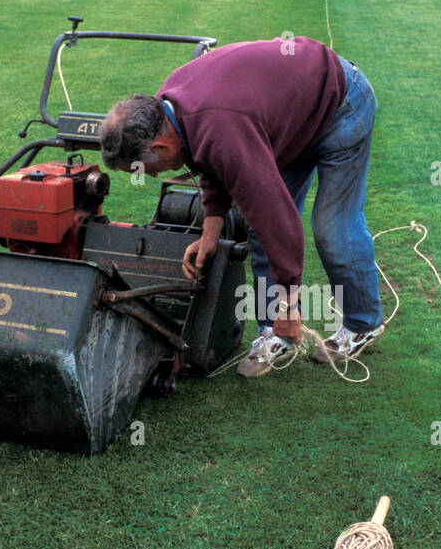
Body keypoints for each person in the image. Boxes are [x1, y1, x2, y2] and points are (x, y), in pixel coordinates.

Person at [98, 37, 383, 378]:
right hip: (288, 120)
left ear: (159, 145)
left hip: (340, 105)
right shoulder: (168, 112)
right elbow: (205, 157)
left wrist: (290, 304)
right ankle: (273, 331)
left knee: (333, 229)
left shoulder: (223, 128)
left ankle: (362, 323)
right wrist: (209, 234)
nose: (153, 174)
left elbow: (279, 220)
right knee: (259, 234)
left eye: (146, 167)